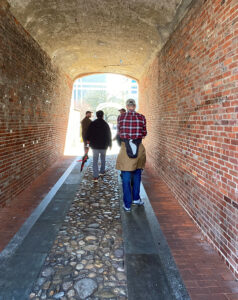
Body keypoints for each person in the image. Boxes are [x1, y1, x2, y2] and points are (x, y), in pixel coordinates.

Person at [116, 99, 147, 212]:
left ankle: (127, 204)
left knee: (126, 176)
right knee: (137, 173)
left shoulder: (121, 117)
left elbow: (119, 132)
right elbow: (144, 134)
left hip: (125, 148)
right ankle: (136, 199)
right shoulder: (141, 117)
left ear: (127, 106)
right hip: (138, 147)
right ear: (134, 106)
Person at [86, 110, 112, 182]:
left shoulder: (92, 123)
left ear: (97, 115)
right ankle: (102, 172)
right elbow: (109, 135)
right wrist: (110, 144)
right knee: (103, 159)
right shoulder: (105, 124)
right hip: (104, 146)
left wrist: (88, 141)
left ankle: (95, 176)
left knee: (95, 160)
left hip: (95, 146)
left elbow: (88, 133)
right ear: (103, 115)